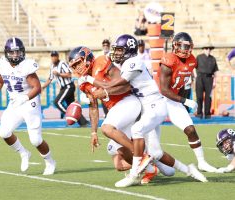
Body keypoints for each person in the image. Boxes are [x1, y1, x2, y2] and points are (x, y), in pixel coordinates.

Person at [85, 34, 207, 187]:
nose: (116, 53)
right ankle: (189, 170)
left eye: (120, 50)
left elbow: (115, 84)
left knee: (137, 129)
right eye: (116, 50)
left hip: (154, 104)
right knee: (157, 154)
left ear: (129, 50)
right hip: (147, 108)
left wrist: (89, 80)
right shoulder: (126, 63)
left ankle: (134, 173)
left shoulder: (133, 62)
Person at [0, 37, 56, 175]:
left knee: (35, 139)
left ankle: (50, 161)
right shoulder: (2, 64)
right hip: (15, 103)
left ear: (23, 52)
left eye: (18, 52)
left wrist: (25, 97)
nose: (15, 55)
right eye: (12, 52)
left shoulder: (27, 65)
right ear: (6, 53)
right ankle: (23, 153)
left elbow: (37, 87)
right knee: (4, 132)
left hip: (30, 103)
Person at [159, 32, 217, 172]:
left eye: (188, 46)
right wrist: (185, 101)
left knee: (190, 129)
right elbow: (164, 90)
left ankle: (202, 162)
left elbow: (181, 85)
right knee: (148, 137)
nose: (186, 49)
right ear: (175, 45)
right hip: (157, 100)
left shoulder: (192, 60)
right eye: (183, 46)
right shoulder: (168, 60)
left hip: (173, 100)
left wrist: (182, 101)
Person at [41, 50, 88, 126]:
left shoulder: (62, 64)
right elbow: (50, 79)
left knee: (57, 102)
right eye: (52, 56)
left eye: (55, 56)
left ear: (57, 57)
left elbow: (69, 74)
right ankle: (83, 122)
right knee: (71, 105)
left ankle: (70, 116)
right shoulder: (52, 66)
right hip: (63, 88)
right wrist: (42, 87)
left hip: (68, 86)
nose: (53, 58)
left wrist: (59, 74)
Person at [195, 45, 219, 119]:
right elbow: (193, 67)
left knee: (208, 97)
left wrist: (215, 81)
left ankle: (207, 114)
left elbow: (215, 71)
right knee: (199, 96)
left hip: (209, 79)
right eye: (206, 48)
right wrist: (195, 75)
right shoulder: (198, 57)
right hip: (200, 78)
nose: (208, 50)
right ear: (203, 49)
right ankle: (199, 113)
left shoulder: (213, 59)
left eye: (209, 49)